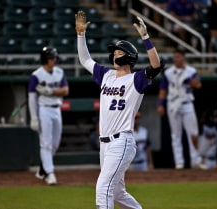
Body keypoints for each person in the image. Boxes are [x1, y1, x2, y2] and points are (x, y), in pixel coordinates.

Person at [76, 10, 163, 209]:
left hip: (121, 140)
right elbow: (85, 60)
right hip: (105, 144)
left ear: (129, 57)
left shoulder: (136, 79)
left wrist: (146, 38)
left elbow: (156, 65)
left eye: (119, 52)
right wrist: (81, 35)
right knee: (116, 192)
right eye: (114, 52)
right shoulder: (106, 75)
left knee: (103, 187)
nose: (115, 54)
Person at [157, 48, 206, 169]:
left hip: (187, 102)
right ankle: (179, 162)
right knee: (176, 135)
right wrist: (160, 104)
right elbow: (163, 89)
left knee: (193, 133)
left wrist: (189, 81)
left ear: (183, 57)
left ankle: (195, 160)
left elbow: (198, 85)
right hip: (173, 103)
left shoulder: (191, 71)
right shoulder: (168, 72)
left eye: (178, 56)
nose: (176, 59)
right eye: (175, 56)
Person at [28, 46, 69, 185]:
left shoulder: (59, 72)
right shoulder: (36, 75)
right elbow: (31, 98)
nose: (54, 60)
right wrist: (33, 117)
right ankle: (50, 173)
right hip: (43, 110)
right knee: (45, 143)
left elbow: (65, 91)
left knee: (55, 144)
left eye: (55, 57)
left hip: (57, 108)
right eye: (52, 57)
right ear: (46, 59)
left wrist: (50, 92)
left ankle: (42, 169)